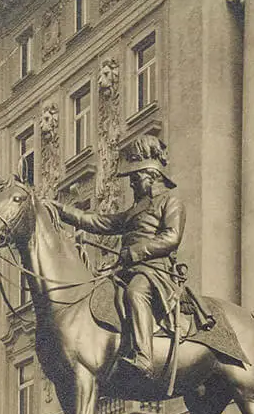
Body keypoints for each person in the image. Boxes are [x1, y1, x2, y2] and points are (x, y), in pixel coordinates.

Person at [54, 136, 210, 379]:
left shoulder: (171, 202)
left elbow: (171, 237)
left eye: (136, 179)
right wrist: (61, 210)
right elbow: (97, 222)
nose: (132, 185)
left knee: (135, 293)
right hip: (127, 269)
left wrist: (135, 252)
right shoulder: (133, 212)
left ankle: (144, 356)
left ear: (152, 176)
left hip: (154, 270)